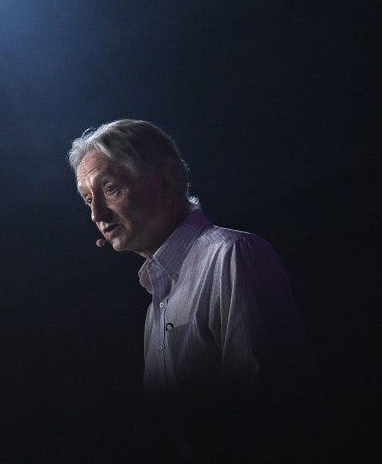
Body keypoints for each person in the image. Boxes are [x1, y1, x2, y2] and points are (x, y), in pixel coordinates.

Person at [69, 119, 312, 406]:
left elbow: (270, 397)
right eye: (88, 200)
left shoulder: (231, 255)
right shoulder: (156, 302)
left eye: (110, 189)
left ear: (167, 181)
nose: (96, 214)